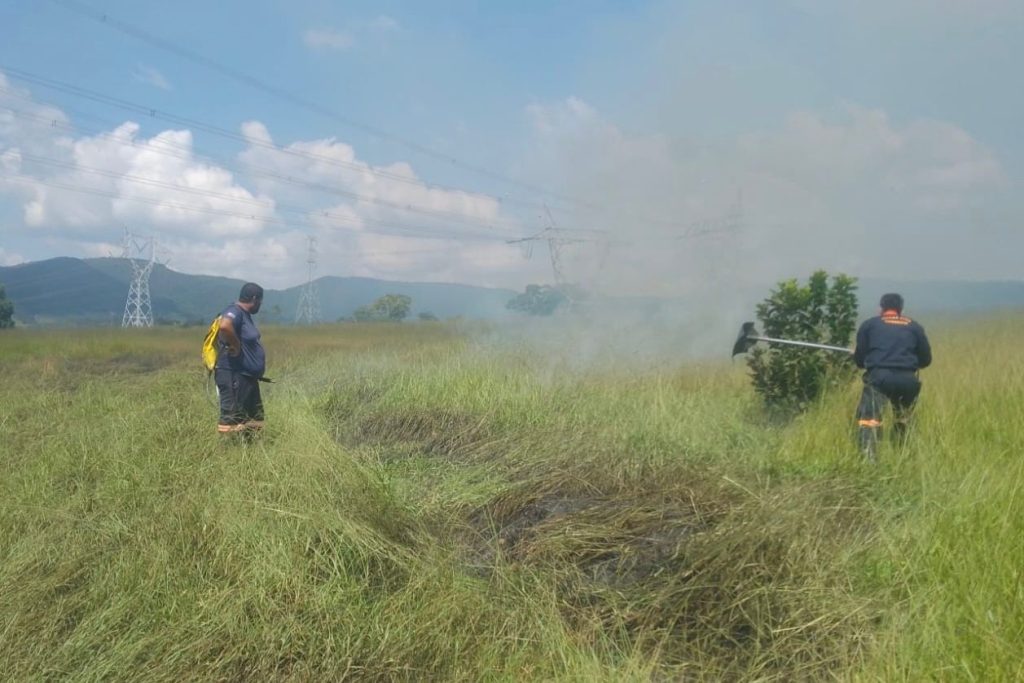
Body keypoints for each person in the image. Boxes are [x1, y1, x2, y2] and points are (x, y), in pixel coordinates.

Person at [853, 293, 932, 459]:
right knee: (904, 419)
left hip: (879, 378)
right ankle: (903, 456)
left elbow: (860, 360)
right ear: (900, 309)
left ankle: (869, 459)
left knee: (869, 419)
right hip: (908, 380)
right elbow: (926, 360)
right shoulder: (915, 327)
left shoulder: (869, 325)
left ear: (881, 308)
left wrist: (867, 359)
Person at [215, 282, 267, 436]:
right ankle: (229, 449)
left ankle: (251, 448)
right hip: (233, 374)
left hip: (247, 377)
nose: (260, 305)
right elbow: (225, 325)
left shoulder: (245, 315)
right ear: (254, 299)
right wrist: (236, 345)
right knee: (231, 421)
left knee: (254, 420)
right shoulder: (235, 311)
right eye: (260, 301)